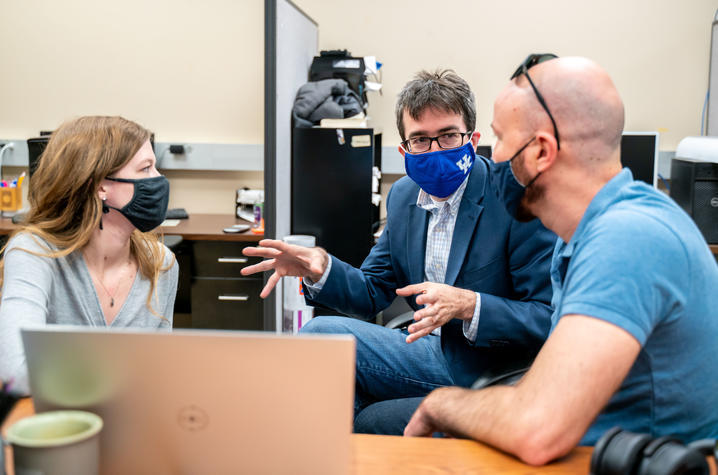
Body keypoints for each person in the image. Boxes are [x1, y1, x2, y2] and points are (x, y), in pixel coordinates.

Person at [403, 55, 718, 465]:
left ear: (539, 152)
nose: (492, 157)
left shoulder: (626, 239)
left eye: (499, 139)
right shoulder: (588, 236)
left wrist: (440, 404)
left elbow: (538, 430)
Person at [241, 70, 556, 432]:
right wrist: (323, 268)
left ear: (473, 139)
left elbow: (548, 317)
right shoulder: (405, 196)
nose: (435, 150)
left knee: (323, 339)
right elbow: (374, 290)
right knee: (338, 383)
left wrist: (470, 305)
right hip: (427, 350)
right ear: (404, 148)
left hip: (491, 368)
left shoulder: (514, 199)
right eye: (420, 140)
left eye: (449, 136)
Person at [0, 116, 178, 394]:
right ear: (100, 185)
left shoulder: (160, 262)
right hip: (53, 428)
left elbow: (160, 372)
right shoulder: (34, 252)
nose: (159, 180)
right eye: (146, 169)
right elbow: (17, 373)